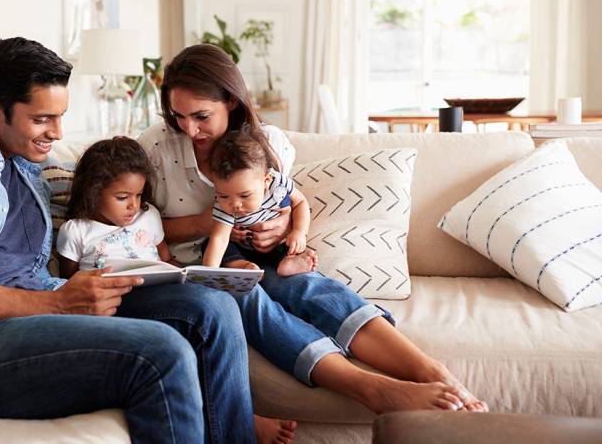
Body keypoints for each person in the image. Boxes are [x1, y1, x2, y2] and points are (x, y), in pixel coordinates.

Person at [0, 37, 295, 444]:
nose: (58, 133)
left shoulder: (26, 168)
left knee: (212, 306)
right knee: (162, 353)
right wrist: (56, 303)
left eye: (60, 117)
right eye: (42, 119)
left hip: (42, 306)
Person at [139, 43, 489, 414]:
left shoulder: (267, 143)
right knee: (243, 295)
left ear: (231, 101)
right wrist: (206, 223)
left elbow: (284, 204)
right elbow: (135, 228)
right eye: (178, 115)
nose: (189, 129)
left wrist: (281, 229)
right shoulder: (155, 147)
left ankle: (434, 373)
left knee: (307, 286)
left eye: (201, 116)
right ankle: (370, 389)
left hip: (262, 254)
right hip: (197, 267)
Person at [202, 126, 318, 277]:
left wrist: (299, 232)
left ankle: (288, 262)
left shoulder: (277, 186)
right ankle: (241, 266)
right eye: (223, 196)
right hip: (242, 249)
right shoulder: (223, 206)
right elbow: (220, 239)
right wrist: (208, 275)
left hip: (275, 244)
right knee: (210, 244)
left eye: (245, 195)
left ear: (266, 181)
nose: (235, 204)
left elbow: (300, 202)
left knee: (289, 245)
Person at [55, 136, 173, 273]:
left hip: (159, 284)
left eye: (138, 195)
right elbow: (70, 280)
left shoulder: (148, 215)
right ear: (93, 193)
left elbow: (167, 261)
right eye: (122, 198)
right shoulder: (75, 231)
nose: (134, 206)